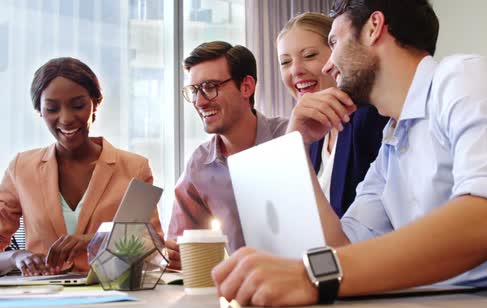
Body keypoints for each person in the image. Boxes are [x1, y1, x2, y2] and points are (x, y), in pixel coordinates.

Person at [212, 0, 487, 307]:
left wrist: (312, 274)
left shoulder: (465, 79)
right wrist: (296, 150)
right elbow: (341, 249)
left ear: (374, 26)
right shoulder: (394, 141)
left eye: (335, 42)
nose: (328, 64)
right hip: (468, 303)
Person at [0, 57, 163, 276]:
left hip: (112, 298)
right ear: (39, 110)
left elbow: (153, 249)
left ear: (96, 103)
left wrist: (94, 240)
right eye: (52, 108)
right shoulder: (21, 168)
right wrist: (15, 256)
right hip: (41, 299)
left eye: (78, 105)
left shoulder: (134, 168)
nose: (66, 118)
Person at [166, 42, 288, 270]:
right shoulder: (200, 165)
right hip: (234, 295)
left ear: (246, 87)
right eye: (194, 91)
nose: (200, 102)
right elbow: (179, 250)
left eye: (210, 87)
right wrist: (178, 256)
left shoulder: (292, 138)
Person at [277, 12, 388, 217]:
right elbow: (285, 213)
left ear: (338, 53)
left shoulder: (369, 117)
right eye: (285, 62)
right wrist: (294, 139)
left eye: (309, 55)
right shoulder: (311, 128)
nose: (296, 71)